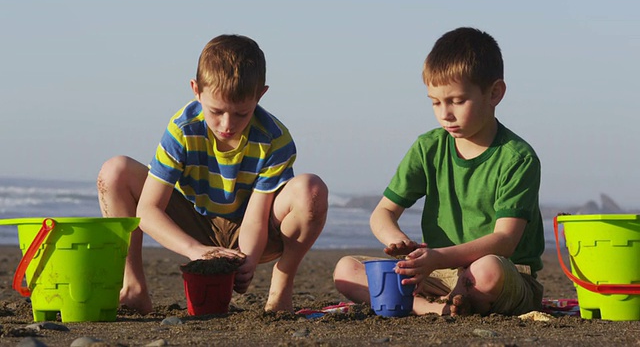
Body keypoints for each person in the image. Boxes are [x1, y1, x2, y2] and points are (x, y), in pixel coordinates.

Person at [97, 34, 328, 315]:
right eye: (216, 111)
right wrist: (195, 250)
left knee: (311, 189)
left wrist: (249, 261)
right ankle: (133, 288)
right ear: (196, 90)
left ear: (260, 95)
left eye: (241, 114)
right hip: (197, 223)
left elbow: (257, 214)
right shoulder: (183, 130)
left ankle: (280, 293)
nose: (227, 125)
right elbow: (148, 209)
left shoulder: (273, 138)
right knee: (114, 172)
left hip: (254, 228)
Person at [333, 27, 544, 316]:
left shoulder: (517, 158)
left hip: (506, 275)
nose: (445, 113)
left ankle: (450, 300)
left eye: (457, 101)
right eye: (435, 102)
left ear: (494, 93)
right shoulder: (428, 147)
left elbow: (504, 241)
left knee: (487, 270)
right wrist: (399, 243)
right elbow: (382, 213)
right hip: (438, 272)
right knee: (347, 269)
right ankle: (431, 308)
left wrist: (438, 258)